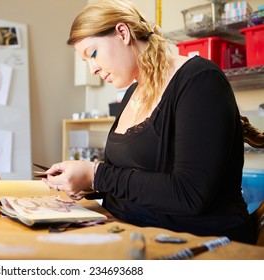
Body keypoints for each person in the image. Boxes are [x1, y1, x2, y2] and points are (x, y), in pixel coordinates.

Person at [42, 0, 256, 244]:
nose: (92, 69)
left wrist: (96, 175)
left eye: (93, 54)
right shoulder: (132, 93)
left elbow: (189, 193)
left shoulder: (200, 80)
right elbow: (129, 176)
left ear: (122, 33)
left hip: (197, 241)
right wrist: (84, 182)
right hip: (125, 228)